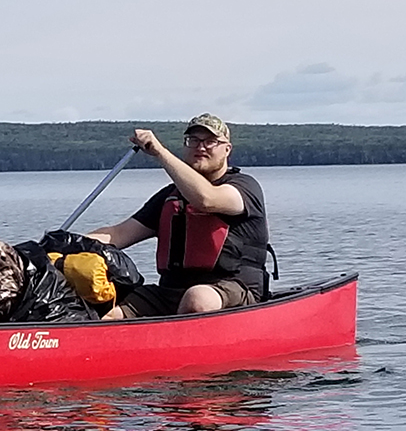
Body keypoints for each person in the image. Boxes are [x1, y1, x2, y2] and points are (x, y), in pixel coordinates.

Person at [86, 113, 269, 319]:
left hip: (234, 288)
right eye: (193, 141)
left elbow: (207, 199)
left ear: (227, 149)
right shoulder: (170, 197)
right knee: (109, 314)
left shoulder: (244, 187)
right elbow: (118, 234)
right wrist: (62, 245)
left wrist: (160, 152)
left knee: (197, 299)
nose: (201, 147)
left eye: (210, 142)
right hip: (170, 292)